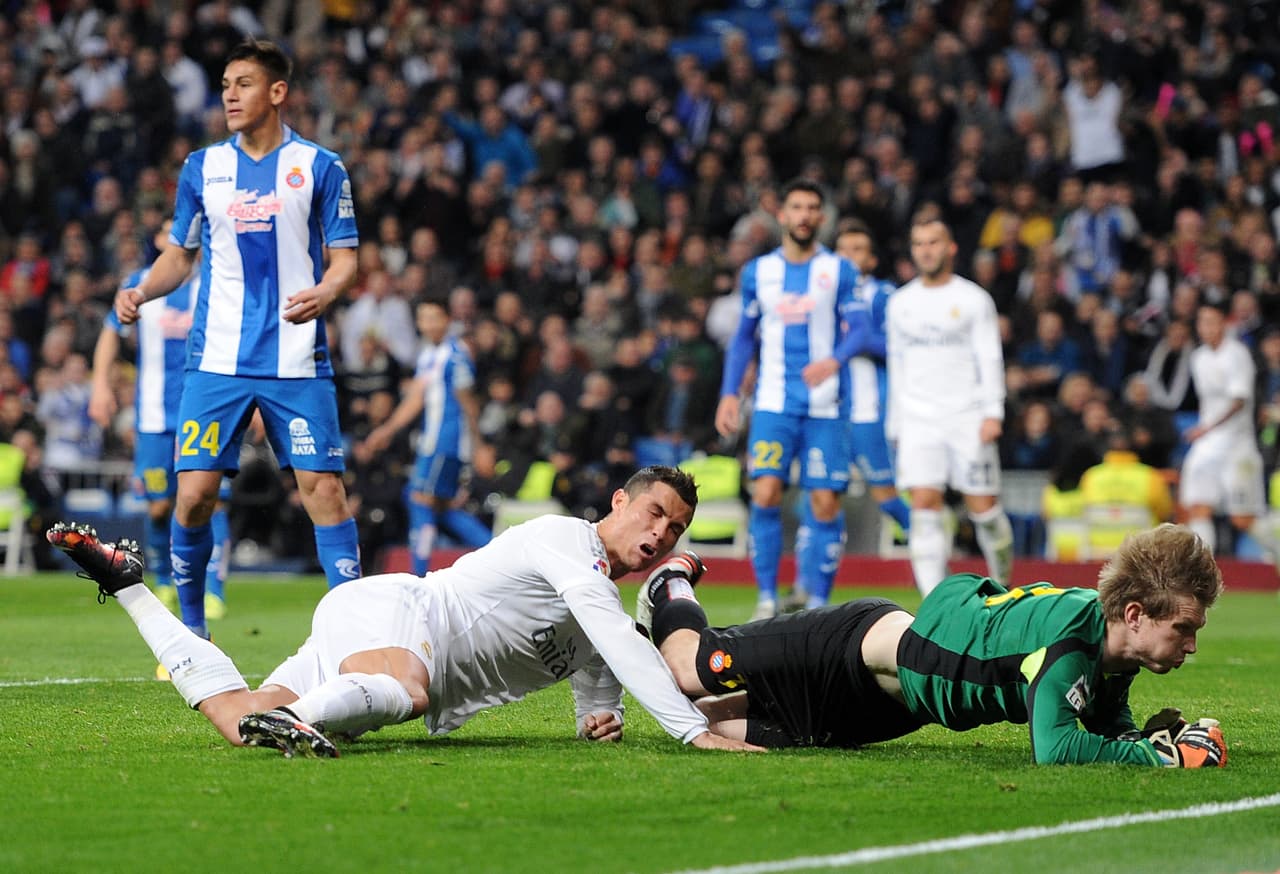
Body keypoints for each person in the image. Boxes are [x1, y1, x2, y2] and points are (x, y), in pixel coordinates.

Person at [48, 466, 763, 758]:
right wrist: (690, 731)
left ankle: (130, 588)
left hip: (370, 636)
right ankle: (303, 718)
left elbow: (599, 689)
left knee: (239, 722)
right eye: (653, 513)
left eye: (675, 530)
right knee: (407, 692)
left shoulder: (602, 614)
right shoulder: (565, 541)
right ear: (620, 502)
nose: (660, 534)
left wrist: (597, 722)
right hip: (401, 614)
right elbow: (614, 635)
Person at [113, 39, 361, 643]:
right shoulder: (202, 168)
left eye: (243, 84)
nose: (229, 95)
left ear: (277, 92)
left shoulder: (320, 166)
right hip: (216, 361)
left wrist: (327, 291)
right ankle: (192, 634)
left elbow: (346, 259)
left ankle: (355, 631)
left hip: (296, 358)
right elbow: (180, 255)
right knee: (194, 496)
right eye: (225, 84)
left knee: (325, 491)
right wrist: (142, 290)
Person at [635, 524, 1229, 767]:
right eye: (1185, 627)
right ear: (1135, 614)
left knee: (705, 723)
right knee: (685, 670)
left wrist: (1135, 737)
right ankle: (670, 585)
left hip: (892, 710)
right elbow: (1055, 748)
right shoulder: (1073, 639)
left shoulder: (1114, 651)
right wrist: (1164, 759)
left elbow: (1098, 716)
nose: (1192, 645)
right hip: (849, 645)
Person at [715, 179, 861, 620]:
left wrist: (834, 360)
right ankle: (766, 598)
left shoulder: (839, 270)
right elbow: (744, 338)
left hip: (825, 406)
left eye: (812, 207)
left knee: (825, 502)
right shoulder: (758, 272)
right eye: (796, 206)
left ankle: (818, 605)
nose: (804, 215)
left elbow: (862, 330)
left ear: (821, 217)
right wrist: (729, 394)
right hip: (773, 404)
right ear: (782, 215)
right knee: (764, 493)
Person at [90, 229, 233, 630]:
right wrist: (100, 384)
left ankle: (214, 590)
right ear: (158, 239)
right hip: (153, 418)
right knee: (158, 506)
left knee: (211, 499)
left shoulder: (217, 283)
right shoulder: (139, 284)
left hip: (205, 412)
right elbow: (111, 332)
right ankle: (164, 581)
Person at [886, 213, 1014, 596]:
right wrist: (895, 423)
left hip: (967, 416)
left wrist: (993, 412)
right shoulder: (900, 303)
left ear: (951, 247)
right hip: (917, 419)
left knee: (985, 510)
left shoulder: (973, 299)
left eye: (933, 242)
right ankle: (935, 603)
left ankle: (1005, 586)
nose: (926, 251)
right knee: (924, 508)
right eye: (919, 244)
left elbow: (989, 357)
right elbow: (896, 364)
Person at [789, 220, 910, 611]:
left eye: (858, 250)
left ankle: (937, 558)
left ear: (871, 259)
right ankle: (807, 591)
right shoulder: (818, 293)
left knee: (887, 498)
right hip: (825, 411)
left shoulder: (885, 295)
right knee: (816, 500)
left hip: (867, 413)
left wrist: (854, 338)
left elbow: (897, 345)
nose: (849, 258)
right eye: (843, 250)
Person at [358, 299, 491, 574]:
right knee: (441, 508)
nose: (429, 324)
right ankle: (498, 551)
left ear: (447, 320)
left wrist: (479, 446)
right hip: (433, 440)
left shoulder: (455, 353)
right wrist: (387, 430)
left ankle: (418, 575)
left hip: (446, 440)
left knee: (418, 497)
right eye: (423, 318)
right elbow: (415, 398)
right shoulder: (429, 353)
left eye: (434, 317)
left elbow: (468, 401)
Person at [1180, 305, 1280, 567]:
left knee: (1242, 519)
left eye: (1212, 321)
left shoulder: (1237, 354)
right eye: (1202, 322)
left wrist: (1206, 428)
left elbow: (1239, 400)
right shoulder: (1199, 357)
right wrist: (1205, 432)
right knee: (1198, 508)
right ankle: (1202, 574)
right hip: (1206, 447)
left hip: (1237, 447)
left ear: (1224, 323)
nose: (1207, 328)